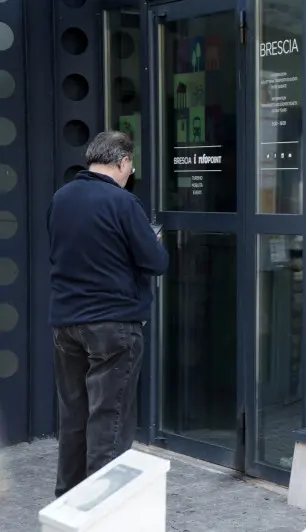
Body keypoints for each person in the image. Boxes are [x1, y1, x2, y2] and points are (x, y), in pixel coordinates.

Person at [48, 131, 168, 497]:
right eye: (130, 165)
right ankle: (102, 508)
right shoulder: (123, 202)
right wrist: (155, 239)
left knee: (74, 418)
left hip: (66, 322)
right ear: (122, 162)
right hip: (113, 325)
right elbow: (155, 262)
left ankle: (67, 502)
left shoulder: (61, 197)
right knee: (109, 421)